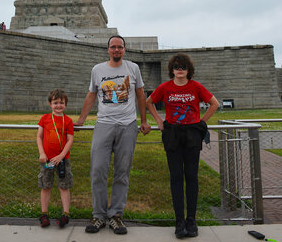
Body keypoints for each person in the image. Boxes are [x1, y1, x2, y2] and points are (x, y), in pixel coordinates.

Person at [74, 35, 151, 235]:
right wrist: (82, 119)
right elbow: (91, 95)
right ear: (108, 49)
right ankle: (98, 215)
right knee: (98, 170)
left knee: (122, 173)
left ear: (124, 49)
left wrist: (143, 120)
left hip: (127, 126)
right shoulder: (97, 70)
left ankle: (116, 215)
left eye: (120, 47)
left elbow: (141, 94)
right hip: (104, 125)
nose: (116, 50)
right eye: (113, 47)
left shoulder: (133, 68)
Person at [146, 53, 219, 239]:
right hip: (172, 134)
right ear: (171, 69)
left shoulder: (195, 86)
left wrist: (201, 123)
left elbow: (214, 104)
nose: (180, 70)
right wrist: (159, 120)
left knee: (192, 177)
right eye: (177, 67)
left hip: (192, 135)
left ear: (188, 70)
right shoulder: (165, 87)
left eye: (183, 67)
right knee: (176, 177)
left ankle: (191, 221)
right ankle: (179, 221)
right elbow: (149, 102)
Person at [37, 88, 74, 229]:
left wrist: (61, 156)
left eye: (62, 103)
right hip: (47, 160)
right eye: (55, 102)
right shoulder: (45, 118)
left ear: (65, 104)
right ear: (50, 104)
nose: (59, 105)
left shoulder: (68, 121)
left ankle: (65, 214)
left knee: (64, 186)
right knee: (46, 186)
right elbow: (39, 137)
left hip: (62, 160)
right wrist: (42, 153)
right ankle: (44, 214)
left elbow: (70, 140)